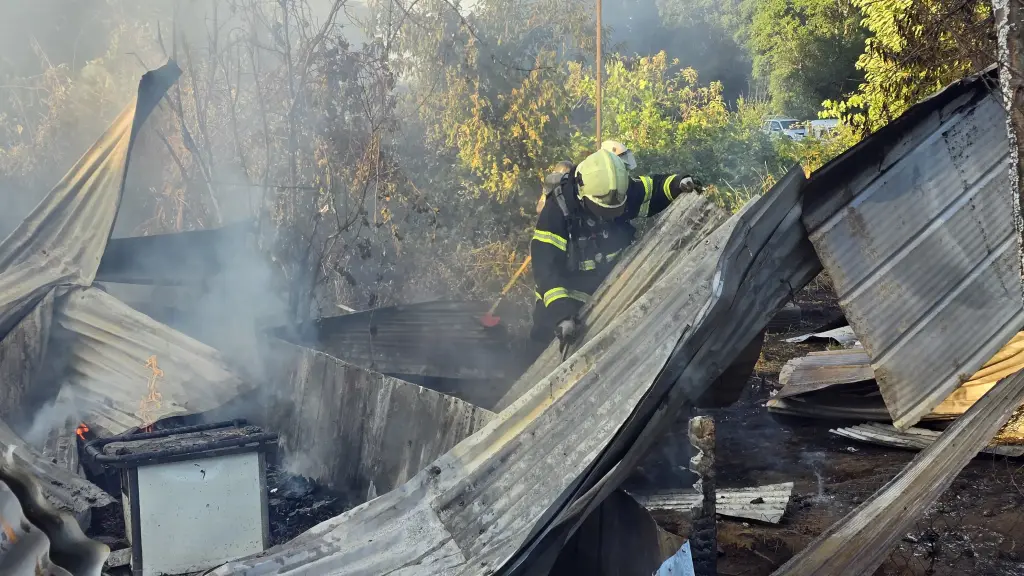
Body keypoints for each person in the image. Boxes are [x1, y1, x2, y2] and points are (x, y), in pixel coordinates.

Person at [530, 148, 701, 350]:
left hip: (609, 295)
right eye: (601, 210)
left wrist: (676, 184)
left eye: (613, 210)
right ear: (583, 194)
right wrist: (562, 316)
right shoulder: (555, 213)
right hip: (560, 304)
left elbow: (650, 189)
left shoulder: (618, 191)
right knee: (541, 354)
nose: (608, 216)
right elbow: (546, 272)